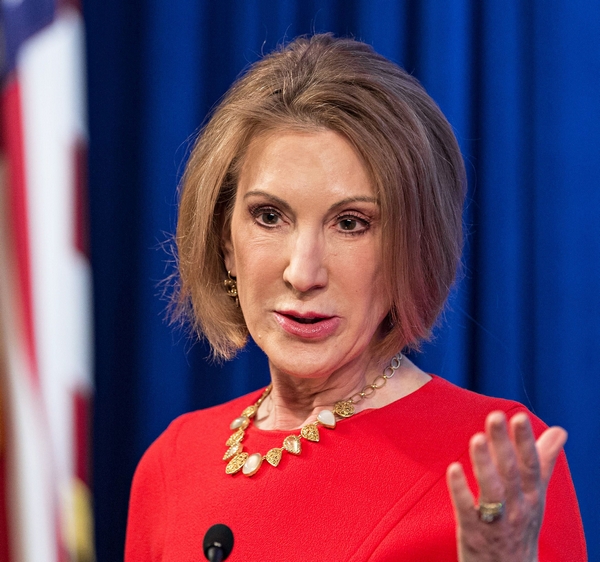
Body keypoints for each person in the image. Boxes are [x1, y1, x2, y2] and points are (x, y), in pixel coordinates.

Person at [125, 34, 586, 561]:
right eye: (269, 216)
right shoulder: (175, 461)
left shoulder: (497, 466)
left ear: (412, 250)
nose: (303, 272)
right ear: (226, 242)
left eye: (351, 223)